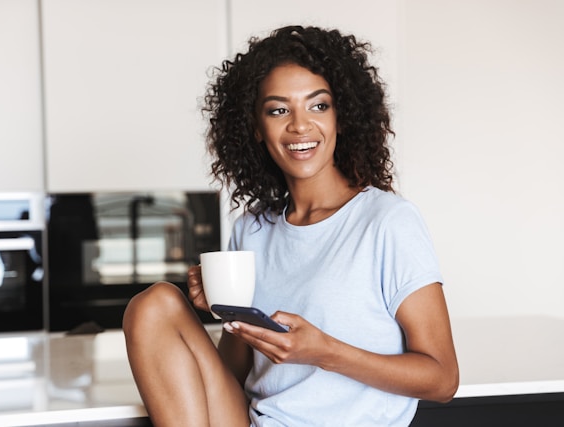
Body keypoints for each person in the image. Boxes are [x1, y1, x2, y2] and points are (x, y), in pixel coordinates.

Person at [123, 25, 459, 427]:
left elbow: (442, 379)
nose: (300, 125)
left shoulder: (387, 222)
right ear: (256, 128)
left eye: (318, 106)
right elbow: (237, 375)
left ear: (342, 117)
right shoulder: (251, 229)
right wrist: (228, 312)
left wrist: (323, 351)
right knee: (153, 305)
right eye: (279, 110)